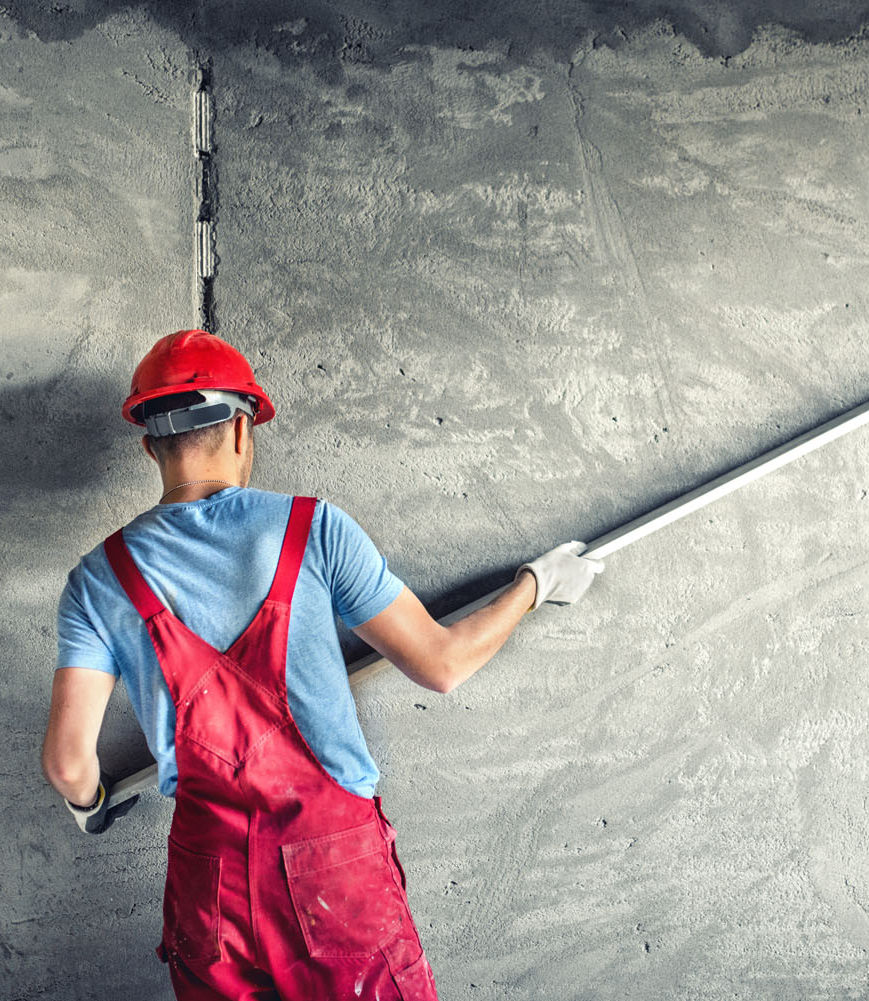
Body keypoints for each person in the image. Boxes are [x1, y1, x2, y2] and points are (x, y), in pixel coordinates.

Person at [40, 329, 604, 1000]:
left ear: (150, 446)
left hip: (208, 882)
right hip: (332, 870)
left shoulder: (100, 578)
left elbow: (70, 764)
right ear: (244, 431)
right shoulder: (315, 529)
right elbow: (442, 663)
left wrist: (93, 805)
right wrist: (535, 586)